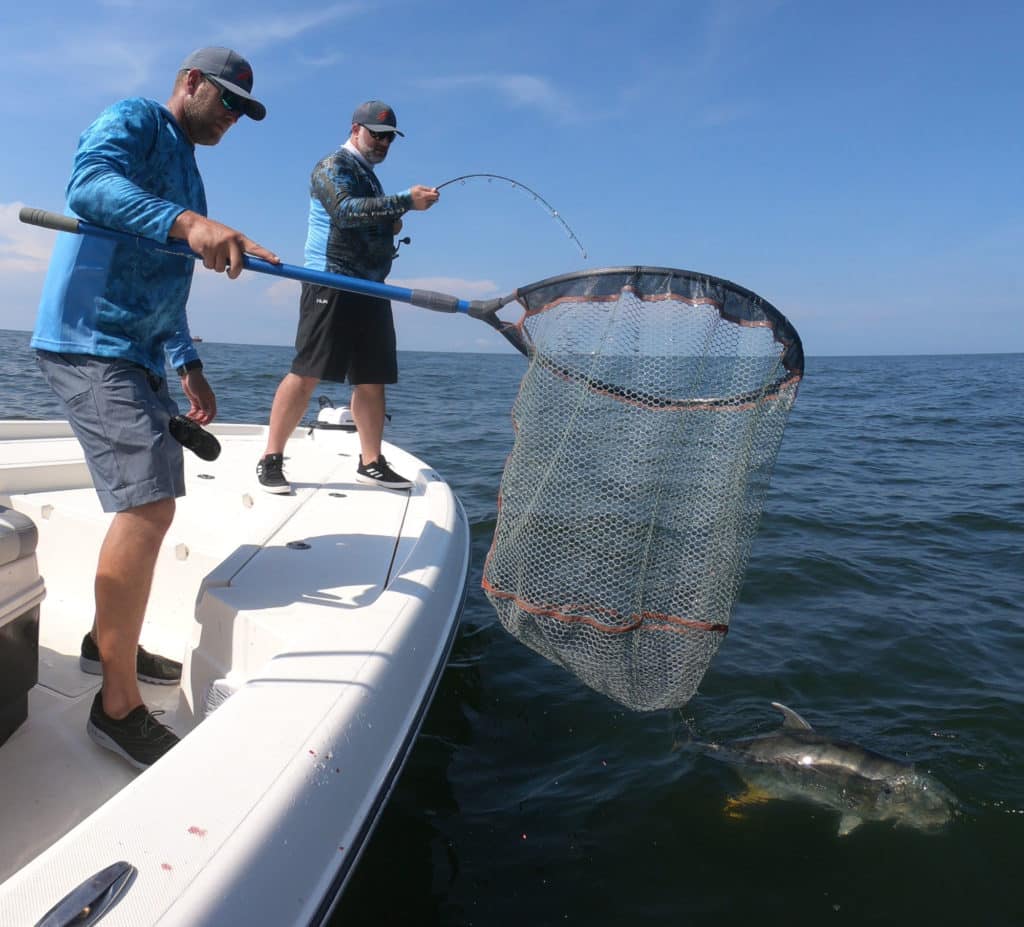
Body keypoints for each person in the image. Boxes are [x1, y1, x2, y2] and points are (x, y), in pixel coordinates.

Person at [30, 46, 279, 769]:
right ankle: (115, 708)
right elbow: (89, 187)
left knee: (150, 493)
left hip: (139, 352)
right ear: (191, 83)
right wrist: (192, 225)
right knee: (147, 501)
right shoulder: (134, 120)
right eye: (227, 101)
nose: (233, 118)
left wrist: (189, 363)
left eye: (244, 112)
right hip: (88, 341)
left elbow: (165, 281)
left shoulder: (190, 173)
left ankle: (105, 641)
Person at [256, 101, 440, 494]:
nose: (383, 143)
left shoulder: (371, 178)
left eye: (389, 137)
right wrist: (405, 201)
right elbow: (343, 211)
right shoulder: (332, 165)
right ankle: (270, 458)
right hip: (331, 283)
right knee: (307, 372)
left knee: (372, 378)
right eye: (377, 134)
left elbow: (368, 214)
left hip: (371, 289)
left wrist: (391, 220)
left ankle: (371, 462)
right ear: (355, 128)